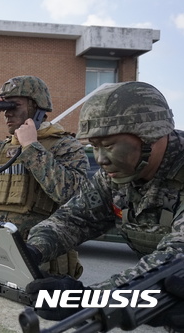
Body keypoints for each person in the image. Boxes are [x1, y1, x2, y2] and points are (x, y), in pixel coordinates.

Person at [24, 81, 184, 330]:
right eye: (94, 146)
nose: (100, 159)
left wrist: (86, 299)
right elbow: (74, 218)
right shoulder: (118, 175)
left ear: (150, 135)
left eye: (108, 146)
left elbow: (174, 261)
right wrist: (31, 251)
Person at [0, 75, 89, 278]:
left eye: (14, 106)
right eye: (5, 107)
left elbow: (74, 196)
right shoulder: (0, 148)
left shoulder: (65, 145)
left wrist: (31, 147)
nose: (7, 114)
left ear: (36, 108)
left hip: (41, 262)